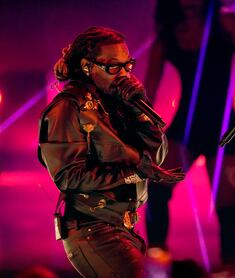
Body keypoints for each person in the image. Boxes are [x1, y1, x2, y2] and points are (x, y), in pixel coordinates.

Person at [38, 26, 185, 277]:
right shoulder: (68, 107)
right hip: (91, 229)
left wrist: (138, 109)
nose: (124, 75)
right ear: (87, 66)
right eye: (114, 67)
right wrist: (132, 172)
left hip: (124, 228)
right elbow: (68, 177)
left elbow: (156, 156)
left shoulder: (119, 104)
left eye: (128, 66)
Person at [144, 0, 235, 268]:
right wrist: (138, 130)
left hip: (225, 129)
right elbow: (147, 92)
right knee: (155, 190)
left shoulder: (226, 23)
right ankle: (156, 259)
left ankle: (229, 268)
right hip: (184, 130)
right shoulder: (168, 33)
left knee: (228, 210)